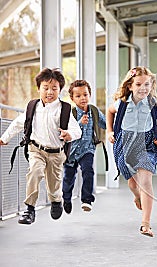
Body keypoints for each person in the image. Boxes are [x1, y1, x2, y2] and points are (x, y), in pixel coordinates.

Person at [0, 68, 81, 225]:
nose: (49, 92)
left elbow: (76, 130)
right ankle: (29, 209)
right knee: (34, 173)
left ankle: (56, 201)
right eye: (45, 88)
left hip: (57, 153)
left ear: (60, 90)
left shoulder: (64, 109)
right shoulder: (33, 106)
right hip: (36, 149)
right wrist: (4, 138)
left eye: (54, 88)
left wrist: (69, 134)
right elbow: (18, 123)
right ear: (39, 88)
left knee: (53, 184)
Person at [106, 66, 157, 237]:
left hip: (147, 144)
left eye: (147, 84)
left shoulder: (153, 102)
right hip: (125, 144)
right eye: (139, 84)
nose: (143, 88)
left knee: (146, 180)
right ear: (130, 86)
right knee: (133, 184)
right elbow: (110, 112)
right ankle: (137, 196)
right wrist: (110, 131)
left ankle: (145, 224)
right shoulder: (122, 103)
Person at [62, 80, 106, 214]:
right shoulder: (70, 113)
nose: (83, 98)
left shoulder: (94, 111)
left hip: (87, 149)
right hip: (71, 151)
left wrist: (114, 131)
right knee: (68, 178)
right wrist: (80, 123)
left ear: (89, 95)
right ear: (72, 98)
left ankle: (87, 200)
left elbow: (106, 124)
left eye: (85, 95)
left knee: (88, 171)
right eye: (78, 96)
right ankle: (67, 198)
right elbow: (67, 132)